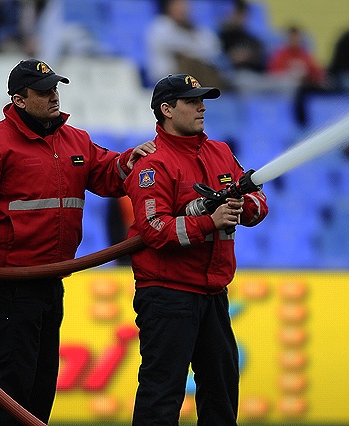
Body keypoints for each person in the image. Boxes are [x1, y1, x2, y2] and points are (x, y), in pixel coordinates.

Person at [0, 59, 155, 425]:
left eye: (54, 89)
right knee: (13, 396)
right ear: (19, 100)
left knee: (39, 393)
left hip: (50, 284)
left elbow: (108, 175)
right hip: (10, 287)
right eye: (43, 92)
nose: (54, 96)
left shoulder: (75, 139)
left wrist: (129, 162)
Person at [125, 74, 269, 425]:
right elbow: (154, 229)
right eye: (192, 101)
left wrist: (243, 208)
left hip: (213, 292)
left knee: (222, 391)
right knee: (162, 395)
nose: (202, 107)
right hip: (167, 294)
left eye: (202, 100)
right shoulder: (152, 165)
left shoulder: (220, 152)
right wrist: (210, 221)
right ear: (167, 110)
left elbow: (259, 201)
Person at [145, 0, 228, 87]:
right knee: (189, 61)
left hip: (189, 80)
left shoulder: (191, 26)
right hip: (166, 82)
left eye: (185, 5)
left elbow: (214, 47)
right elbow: (186, 47)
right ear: (168, 6)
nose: (184, 8)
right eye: (179, 5)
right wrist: (197, 46)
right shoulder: (160, 26)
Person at [218, 0, 266, 73]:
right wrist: (231, 58)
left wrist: (250, 56)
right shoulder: (220, 37)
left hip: (253, 73)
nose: (240, 19)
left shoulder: (252, 39)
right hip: (231, 73)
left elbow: (261, 61)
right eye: (237, 14)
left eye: (243, 15)